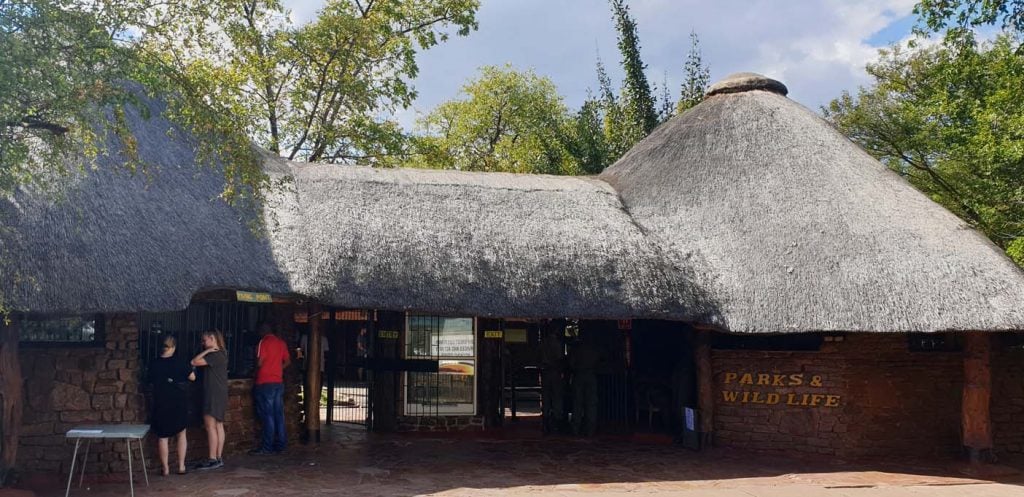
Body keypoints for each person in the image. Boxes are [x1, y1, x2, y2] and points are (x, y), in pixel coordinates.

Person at [149, 335, 195, 476]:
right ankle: (181, 466)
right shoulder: (180, 362)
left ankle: (166, 468)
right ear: (173, 347)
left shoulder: (154, 363)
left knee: (163, 436)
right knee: (181, 433)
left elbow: (148, 380)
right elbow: (192, 377)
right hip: (178, 400)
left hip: (161, 400)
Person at [251, 323, 291, 455]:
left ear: (263, 330)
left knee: (268, 415)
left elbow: (260, 362)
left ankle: (267, 447)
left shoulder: (263, 342)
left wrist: (256, 371)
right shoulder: (281, 343)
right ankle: (281, 444)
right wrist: (278, 369)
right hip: (278, 382)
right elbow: (287, 362)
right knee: (278, 415)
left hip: (264, 382)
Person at [192, 330, 228, 470]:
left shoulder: (214, 354)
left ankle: (213, 458)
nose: (203, 343)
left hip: (212, 393)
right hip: (220, 393)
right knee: (219, 425)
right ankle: (218, 457)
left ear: (212, 339)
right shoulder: (223, 353)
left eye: (204, 340)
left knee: (210, 426)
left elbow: (194, 361)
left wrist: (206, 351)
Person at [569, 329, 601, 437]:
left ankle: (575, 429)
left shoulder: (577, 349)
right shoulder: (595, 349)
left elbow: (571, 364)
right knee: (591, 404)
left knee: (577, 403)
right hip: (591, 375)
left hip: (579, 375)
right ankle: (590, 430)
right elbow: (599, 362)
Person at [540, 320, 566, 434]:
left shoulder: (543, 343)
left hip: (545, 372)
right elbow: (560, 359)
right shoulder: (557, 344)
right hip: (555, 372)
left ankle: (545, 422)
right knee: (556, 397)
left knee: (546, 397)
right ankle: (557, 423)